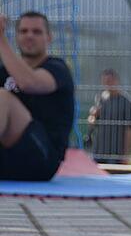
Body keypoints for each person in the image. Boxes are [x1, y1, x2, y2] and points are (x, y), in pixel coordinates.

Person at [0, 11, 75, 181]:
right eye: (24, 31)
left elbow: (29, 83)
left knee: (3, 98)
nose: (29, 36)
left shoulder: (57, 69)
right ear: (17, 36)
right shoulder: (3, 72)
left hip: (41, 159)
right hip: (5, 159)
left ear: (49, 37)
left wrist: (0, 39)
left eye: (37, 32)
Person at [86, 68, 131, 164]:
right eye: (104, 82)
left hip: (115, 153)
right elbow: (91, 123)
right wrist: (93, 115)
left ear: (116, 81)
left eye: (109, 81)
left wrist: (125, 155)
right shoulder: (100, 98)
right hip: (98, 151)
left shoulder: (126, 102)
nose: (107, 84)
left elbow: (128, 130)